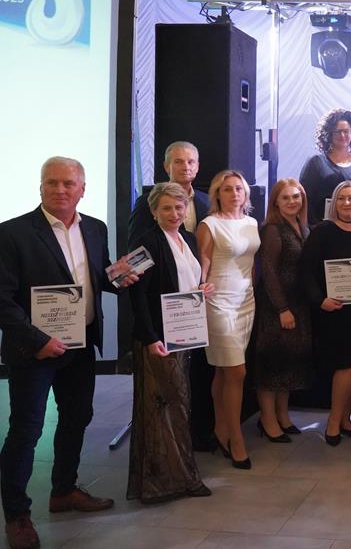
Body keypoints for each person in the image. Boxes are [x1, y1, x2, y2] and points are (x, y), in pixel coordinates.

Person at [0, 157, 138, 549]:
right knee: (27, 430)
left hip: (81, 345)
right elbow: (2, 300)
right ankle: (17, 515)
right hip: (35, 351)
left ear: (82, 189)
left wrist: (118, 277)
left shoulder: (95, 227)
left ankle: (63, 491)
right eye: (52, 182)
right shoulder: (11, 233)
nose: (60, 189)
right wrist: (36, 340)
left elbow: (94, 278)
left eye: (68, 183)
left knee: (77, 418)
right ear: (40, 186)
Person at [126, 182, 214, 504]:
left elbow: (185, 281)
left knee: (177, 404)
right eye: (167, 208)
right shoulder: (146, 242)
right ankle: (164, 482)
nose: (174, 213)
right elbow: (137, 296)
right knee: (162, 407)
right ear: (154, 211)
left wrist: (201, 289)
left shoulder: (187, 238)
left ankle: (179, 476)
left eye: (179, 207)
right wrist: (150, 338)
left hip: (184, 334)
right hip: (158, 338)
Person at [300, 180, 351, 445]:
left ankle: (345, 419)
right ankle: (334, 421)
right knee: (348, 366)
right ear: (334, 203)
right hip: (334, 310)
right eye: (341, 198)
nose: (346, 203)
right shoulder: (322, 231)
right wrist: (319, 300)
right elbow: (306, 271)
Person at [196, 170, 260, 469]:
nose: (234, 194)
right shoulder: (209, 224)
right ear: (217, 194)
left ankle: (220, 429)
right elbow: (203, 263)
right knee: (237, 372)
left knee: (224, 372)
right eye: (227, 189)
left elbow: (251, 264)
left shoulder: (251, 223)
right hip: (217, 300)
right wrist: (198, 288)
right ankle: (236, 438)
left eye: (239, 189)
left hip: (246, 301)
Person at [248, 179, 312, 443]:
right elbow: (269, 272)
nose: (292, 201)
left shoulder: (302, 226)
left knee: (288, 364)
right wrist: (282, 308)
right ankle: (267, 419)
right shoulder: (272, 229)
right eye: (285, 197)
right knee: (272, 366)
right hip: (277, 306)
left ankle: (283, 416)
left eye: (296, 196)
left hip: (298, 304)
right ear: (275, 201)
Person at [299, 108, 351, 224]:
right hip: (325, 228)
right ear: (329, 134)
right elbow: (305, 199)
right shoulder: (316, 163)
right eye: (338, 131)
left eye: (346, 131)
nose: (342, 135)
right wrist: (316, 228)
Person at [127, 141, 210, 243]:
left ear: (197, 167)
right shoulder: (147, 201)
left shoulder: (207, 201)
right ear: (166, 166)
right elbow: (136, 244)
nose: (186, 167)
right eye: (178, 162)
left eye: (191, 162)